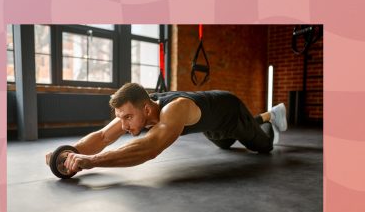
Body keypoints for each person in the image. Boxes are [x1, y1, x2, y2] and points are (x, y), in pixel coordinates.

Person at [45, 83, 287, 173]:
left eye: (127, 118)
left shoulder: (175, 110)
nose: (123, 124)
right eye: (121, 118)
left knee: (263, 147)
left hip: (229, 111)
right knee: (224, 143)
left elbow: (149, 149)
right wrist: (67, 152)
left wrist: (92, 160)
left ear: (147, 110)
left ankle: (272, 115)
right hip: (211, 126)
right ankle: (262, 117)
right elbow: (102, 136)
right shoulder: (140, 107)